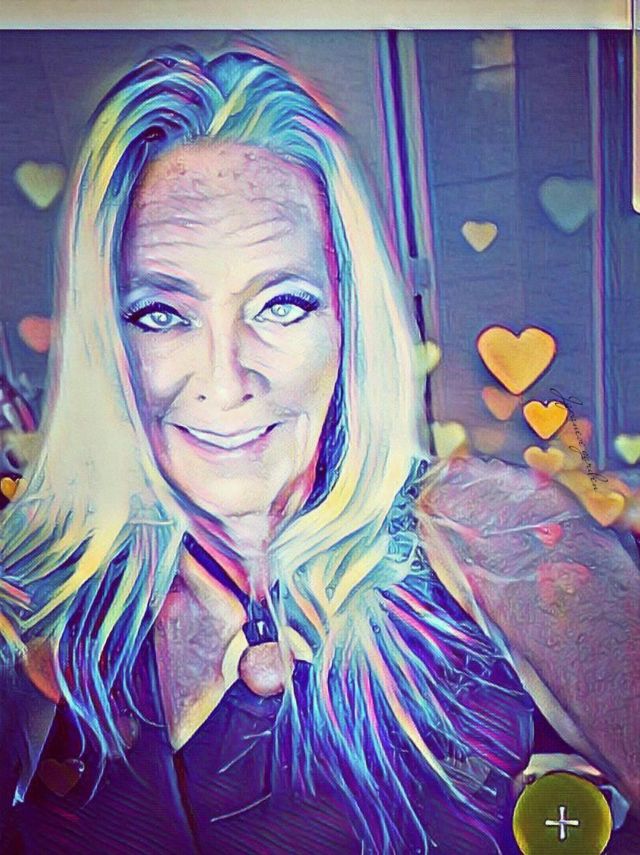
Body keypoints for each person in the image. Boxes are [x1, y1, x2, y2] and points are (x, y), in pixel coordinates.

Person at [0, 46, 638, 855]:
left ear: (348, 314)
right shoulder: (41, 592)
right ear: (107, 341)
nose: (225, 381)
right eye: (161, 314)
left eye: (282, 304)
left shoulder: (493, 533)